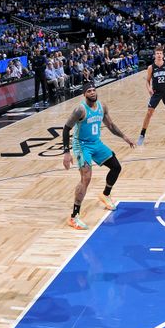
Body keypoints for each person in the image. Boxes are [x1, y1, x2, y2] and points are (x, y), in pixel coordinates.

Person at [62, 82, 135, 230]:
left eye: (94, 90)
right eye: (89, 91)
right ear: (84, 94)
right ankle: (74, 216)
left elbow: (111, 126)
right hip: (82, 146)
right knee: (86, 178)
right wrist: (66, 152)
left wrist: (124, 137)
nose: (93, 92)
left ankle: (105, 195)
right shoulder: (80, 110)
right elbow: (66, 128)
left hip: (96, 143)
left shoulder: (102, 107)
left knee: (116, 167)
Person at [138, 46, 165, 145]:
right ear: (155, 55)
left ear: (163, 55)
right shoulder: (151, 67)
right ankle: (142, 134)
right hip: (156, 92)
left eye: (160, 53)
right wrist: (149, 88)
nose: (159, 55)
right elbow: (147, 81)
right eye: (157, 53)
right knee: (149, 113)